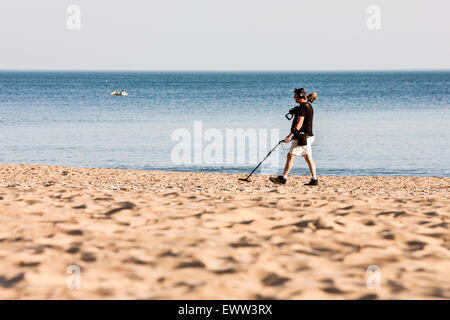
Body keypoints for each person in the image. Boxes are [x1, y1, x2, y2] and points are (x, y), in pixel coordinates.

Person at [270, 88, 318, 186]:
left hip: (302, 137)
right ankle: (314, 179)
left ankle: (283, 178)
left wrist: (290, 136)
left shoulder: (303, 107)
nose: (293, 97)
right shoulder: (308, 106)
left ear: (300, 96)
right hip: (308, 136)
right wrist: (296, 111)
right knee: (308, 158)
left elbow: (299, 124)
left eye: (295, 95)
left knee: (291, 156)